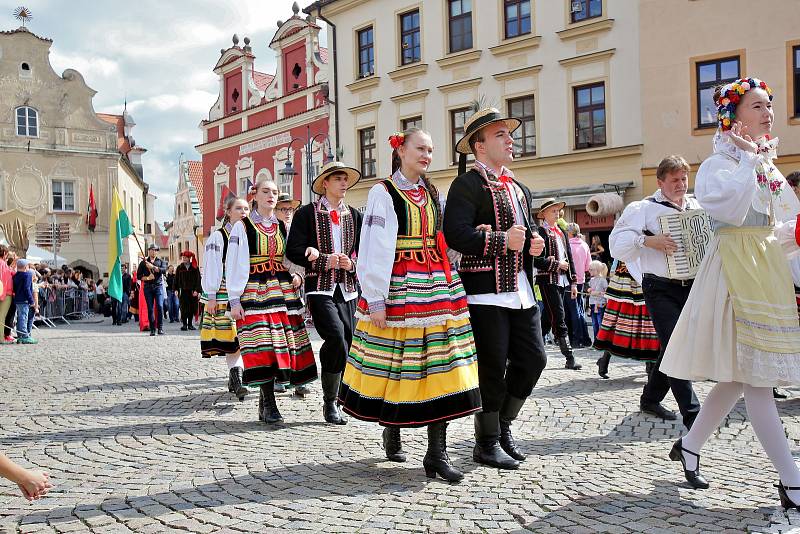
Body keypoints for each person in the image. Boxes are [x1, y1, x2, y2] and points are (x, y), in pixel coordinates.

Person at [660, 78, 800, 503]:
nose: (767, 112)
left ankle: (689, 445)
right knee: (755, 379)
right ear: (733, 116)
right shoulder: (719, 165)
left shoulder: (761, 160)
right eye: (757, 106)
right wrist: (748, 159)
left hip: (762, 265)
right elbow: (731, 209)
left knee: (739, 378)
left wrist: (792, 236)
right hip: (734, 271)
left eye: (769, 105)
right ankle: (792, 479)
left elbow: (775, 220)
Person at [340, 128, 481, 482]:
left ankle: (437, 452)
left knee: (441, 364)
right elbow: (374, 245)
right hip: (401, 285)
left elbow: (441, 236)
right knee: (396, 362)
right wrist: (375, 298)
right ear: (400, 150)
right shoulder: (383, 192)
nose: (427, 155)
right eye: (420, 148)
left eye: (431, 150)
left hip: (437, 284)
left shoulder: (432, 191)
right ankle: (393, 426)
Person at [444, 107, 548, 471]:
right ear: (480, 145)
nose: (511, 139)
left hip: (521, 290)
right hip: (485, 292)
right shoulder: (467, 184)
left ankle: (502, 426)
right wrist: (504, 240)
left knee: (535, 359)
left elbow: (528, 233)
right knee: (491, 367)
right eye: (501, 134)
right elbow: (455, 234)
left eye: (510, 133)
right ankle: (486, 441)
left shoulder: (519, 188)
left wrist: (536, 245)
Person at [609, 155, 702, 429]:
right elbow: (617, 245)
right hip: (658, 286)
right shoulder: (643, 209)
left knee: (670, 347)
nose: (681, 184)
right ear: (660, 182)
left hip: (690, 284)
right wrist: (649, 240)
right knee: (676, 346)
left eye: (684, 179)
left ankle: (650, 399)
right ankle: (693, 414)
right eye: (674, 180)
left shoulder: (695, 206)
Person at [226, 179, 317, 424]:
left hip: (281, 289)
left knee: (282, 345)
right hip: (254, 290)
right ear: (255, 195)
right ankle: (269, 403)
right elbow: (233, 263)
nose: (271, 196)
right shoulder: (242, 227)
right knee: (263, 345)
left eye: (275, 193)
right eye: (266, 191)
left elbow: (289, 257)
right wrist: (234, 300)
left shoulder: (281, 226)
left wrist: (297, 274)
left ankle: (266, 400)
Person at [286, 161, 363, 425]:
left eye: (345, 179)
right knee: (336, 337)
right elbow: (293, 250)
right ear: (325, 184)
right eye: (338, 178)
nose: (343, 183)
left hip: (349, 290)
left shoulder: (354, 214)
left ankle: (341, 398)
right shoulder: (306, 214)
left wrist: (351, 264)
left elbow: (363, 252)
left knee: (350, 343)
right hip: (320, 289)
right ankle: (329, 402)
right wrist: (320, 260)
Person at [201, 197, 250, 401]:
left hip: (247, 292)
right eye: (238, 208)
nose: (243, 211)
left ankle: (235, 378)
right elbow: (212, 265)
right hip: (223, 293)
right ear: (228, 212)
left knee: (245, 338)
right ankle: (237, 379)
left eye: (247, 208)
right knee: (232, 339)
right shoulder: (218, 236)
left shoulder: (251, 234)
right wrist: (211, 295)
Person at [592, 260, 660, 380]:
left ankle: (604, 360)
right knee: (639, 321)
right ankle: (650, 366)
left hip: (631, 276)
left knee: (620, 322)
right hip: (632, 277)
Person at [536, 198, 582, 370]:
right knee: (559, 316)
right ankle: (569, 357)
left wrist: (574, 283)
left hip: (562, 281)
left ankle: (531, 350)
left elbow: (569, 258)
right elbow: (536, 260)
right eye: (553, 211)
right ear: (544, 214)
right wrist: (556, 265)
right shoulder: (539, 232)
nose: (557, 214)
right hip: (547, 280)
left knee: (548, 318)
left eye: (557, 211)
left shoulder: (561, 233)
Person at [274, 192, 309, 396]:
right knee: (279, 334)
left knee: (296, 334)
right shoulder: (271, 231)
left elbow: (301, 257)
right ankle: (280, 376)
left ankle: (298, 378)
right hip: (273, 286)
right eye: (283, 209)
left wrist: (299, 275)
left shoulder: (296, 231)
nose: (287, 213)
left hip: (293, 288)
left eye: (290, 209)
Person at [566, 223, 592, 348]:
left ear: (569, 233)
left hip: (570, 281)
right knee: (580, 309)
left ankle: (576, 339)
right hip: (581, 280)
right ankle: (585, 338)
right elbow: (588, 266)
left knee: (573, 310)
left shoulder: (567, 245)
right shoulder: (585, 245)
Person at [137, 245, 166, 336]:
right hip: (148, 287)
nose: (153, 252)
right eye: (152, 250)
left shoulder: (161, 261)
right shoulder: (143, 263)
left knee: (160, 307)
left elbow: (164, 270)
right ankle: (152, 329)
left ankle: (160, 328)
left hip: (158, 287)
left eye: (155, 250)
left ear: (157, 252)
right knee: (150, 308)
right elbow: (139, 276)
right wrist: (147, 278)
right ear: (148, 251)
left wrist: (152, 267)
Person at [12, 259, 37, 344]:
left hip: (17, 299)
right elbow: (27, 289)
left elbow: (14, 288)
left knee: (20, 317)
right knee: (23, 317)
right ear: (26, 267)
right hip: (24, 299)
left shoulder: (15, 275)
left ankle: (20, 336)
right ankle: (24, 336)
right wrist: (31, 301)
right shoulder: (27, 275)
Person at [175, 251, 201, 331]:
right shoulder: (180, 267)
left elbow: (198, 280)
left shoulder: (194, 268)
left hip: (192, 291)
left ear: (189, 258)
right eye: (183, 257)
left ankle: (190, 324)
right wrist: (176, 289)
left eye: (185, 258)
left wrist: (197, 290)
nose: (184, 259)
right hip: (183, 291)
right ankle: (184, 325)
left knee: (191, 308)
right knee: (183, 308)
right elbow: (176, 279)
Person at [587, 260, 608, 346]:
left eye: (591, 269)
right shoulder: (591, 280)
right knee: (594, 324)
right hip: (592, 304)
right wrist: (589, 290)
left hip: (600, 304)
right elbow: (589, 289)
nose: (589, 271)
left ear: (597, 270)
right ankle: (596, 341)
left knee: (600, 323)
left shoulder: (603, 280)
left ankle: (601, 341)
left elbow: (606, 293)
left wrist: (598, 293)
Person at [0, 245, 15, 343]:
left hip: (4, 293)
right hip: (5, 294)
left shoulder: (3, 263)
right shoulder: (2, 263)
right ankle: (1, 338)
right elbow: (3, 279)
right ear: (4, 253)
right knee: (2, 316)